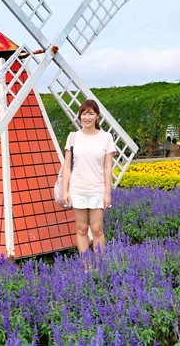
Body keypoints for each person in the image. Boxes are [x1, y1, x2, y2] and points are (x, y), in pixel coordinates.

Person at [61, 99, 116, 255]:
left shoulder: (106, 138)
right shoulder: (73, 137)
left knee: (97, 229)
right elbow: (67, 166)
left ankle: (100, 267)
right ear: (79, 117)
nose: (87, 117)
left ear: (97, 116)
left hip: (97, 189)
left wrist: (107, 193)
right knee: (81, 228)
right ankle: (86, 268)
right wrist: (65, 191)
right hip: (78, 189)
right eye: (84, 114)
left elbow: (107, 167)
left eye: (91, 114)